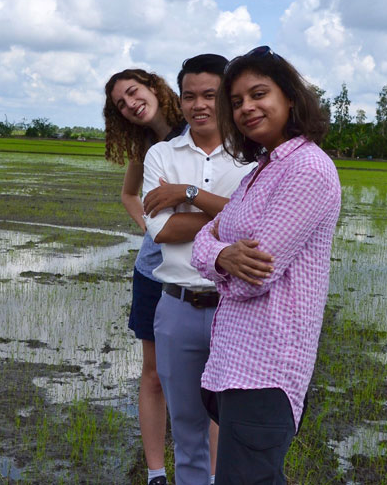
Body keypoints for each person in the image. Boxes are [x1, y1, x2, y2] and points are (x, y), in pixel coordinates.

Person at [191, 46, 341, 484]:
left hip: (266, 369)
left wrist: (219, 258)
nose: (246, 109)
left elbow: (253, 280)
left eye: (259, 94)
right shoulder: (260, 171)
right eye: (236, 102)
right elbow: (208, 238)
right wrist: (220, 255)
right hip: (234, 364)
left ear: (290, 98)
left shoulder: (307, 170)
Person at [141, 54, 254, 485]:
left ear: (225, 98)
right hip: (177, 309)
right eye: (190, 96)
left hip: (238, 307)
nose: (199, 105)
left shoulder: (251, 158)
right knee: (187, 429)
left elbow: (256, 227)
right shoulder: (161, 154)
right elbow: (163, 231)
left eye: (210, 95)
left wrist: (186, 193)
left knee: (237, 430)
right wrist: (230, 214)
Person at [104, 68, 185, 485]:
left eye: (133, 92)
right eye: (121, 103)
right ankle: (156, 473)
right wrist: (150, 229)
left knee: (206, 374)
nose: (131, 104)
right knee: (153, 373)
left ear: (154, 87)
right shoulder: (144, 146)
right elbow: (128, 194)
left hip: (200, 268)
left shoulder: (197, 128)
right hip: (152, 270)